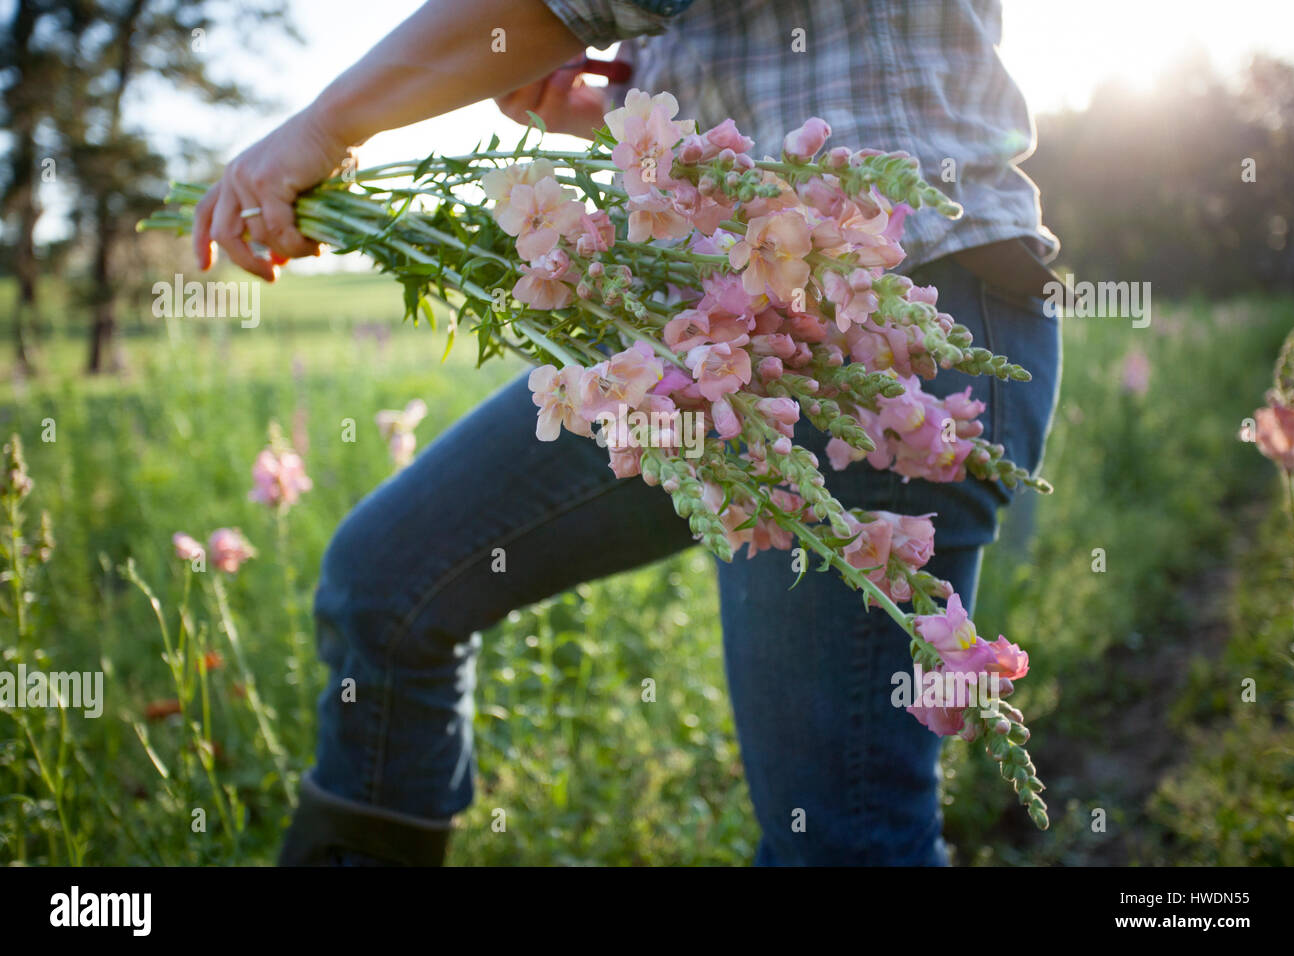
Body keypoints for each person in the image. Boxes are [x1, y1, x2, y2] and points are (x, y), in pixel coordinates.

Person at [193, 0, 1062, 866]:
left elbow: (549, 6)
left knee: (842, 839)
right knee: (387, 584)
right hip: (709, 333)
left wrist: (322, 127)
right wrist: (619, 109)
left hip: (886, 313)